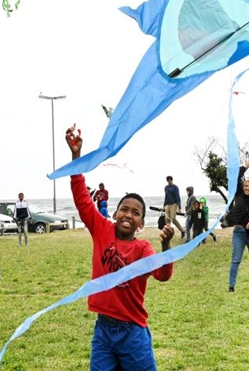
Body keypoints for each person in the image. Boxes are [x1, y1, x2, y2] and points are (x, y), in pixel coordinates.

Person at [66, 125, 174, 370]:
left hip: (132, 333)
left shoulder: (143, 249)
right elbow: (82, 198)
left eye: (136, 213)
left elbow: (163, 275)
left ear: (141, 223)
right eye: (124, 209)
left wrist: (166, 246)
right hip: (103, 330)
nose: (128, 214)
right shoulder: (102, 229)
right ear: (114, 213)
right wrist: (76, 158)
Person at [224, 162, 249, 292]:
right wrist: (244, 168)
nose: (247, 188)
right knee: (235, 260)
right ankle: (231, 287)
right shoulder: (239, 195)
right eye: (246, 186)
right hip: (239, 232)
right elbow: (235, 177)